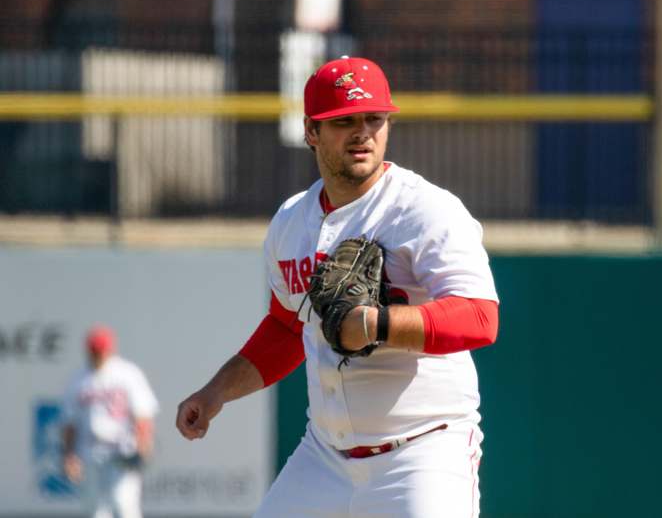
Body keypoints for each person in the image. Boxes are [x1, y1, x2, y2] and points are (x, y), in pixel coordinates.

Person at [175, 56, 499, 518]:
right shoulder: (290, 222)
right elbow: (288, 329)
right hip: (324, 457)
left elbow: (481, 318)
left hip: (423, 451)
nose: (362, 132)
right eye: (344, 120)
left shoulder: (426, 211)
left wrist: (375, 323)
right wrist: (215, 393)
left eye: (374, 118)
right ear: (311, 131)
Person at [61, 325, 159, 518]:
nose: (98, 355)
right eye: (94, 351)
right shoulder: (78, 379)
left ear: (111, 349)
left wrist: (143, 443)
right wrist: (69, 455)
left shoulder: (127, 373)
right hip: (89, 451)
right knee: (95, 510)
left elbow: (143, 412)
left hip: (121, 450)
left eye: (101, 350)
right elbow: (69, 423)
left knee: (123, 504)